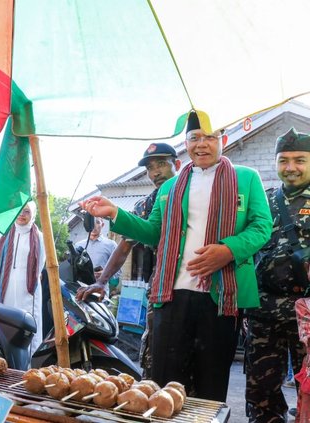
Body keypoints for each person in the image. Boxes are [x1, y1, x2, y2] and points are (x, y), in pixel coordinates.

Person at [80, 110, 272, 402]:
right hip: (172, 295)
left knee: (211, 386)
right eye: (195, 138)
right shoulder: (170, 187)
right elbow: (154, 232)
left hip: (221, 298)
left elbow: (262, 227)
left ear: (223, 138)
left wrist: (228, 250)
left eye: (210, 137)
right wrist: (115, 213)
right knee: (164, 385)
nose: (202, 144)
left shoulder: (246, 178)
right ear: (187, 142)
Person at [76, 143, 181, 378]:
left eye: (162, 164)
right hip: (162, 291)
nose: (156, 172)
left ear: (178, 165)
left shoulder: (193, 196)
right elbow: (125, 244)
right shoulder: (145, 205)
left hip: (199, 289)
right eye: (150, 168)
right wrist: (101, 282)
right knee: (157, 364)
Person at [245, 127, 310, 423]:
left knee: (308, 391)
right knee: (261, 391)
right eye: (284, 160)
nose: (291, 168)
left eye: (300, 160)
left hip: (306, 314)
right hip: (264, 310)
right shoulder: (263, 201)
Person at [0, 201, 46, 356]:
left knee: (26, 326)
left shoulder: (39, 237)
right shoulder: (2, 233)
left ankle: (27, 363)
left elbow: (40, 263)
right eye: (19, 210)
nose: (22, 214)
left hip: (27, 290)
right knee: (5, 323)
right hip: (3, 287)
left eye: (27, 211)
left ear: (32, 214)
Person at [75, 217, 120, 284]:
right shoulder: (78, 245)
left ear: (102, 225)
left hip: (100, 289)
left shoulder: (111, 245)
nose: (94, 226)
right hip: (80, 288)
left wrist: (106, 273)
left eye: (97, 222)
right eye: (91, 222)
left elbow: (118, 270)